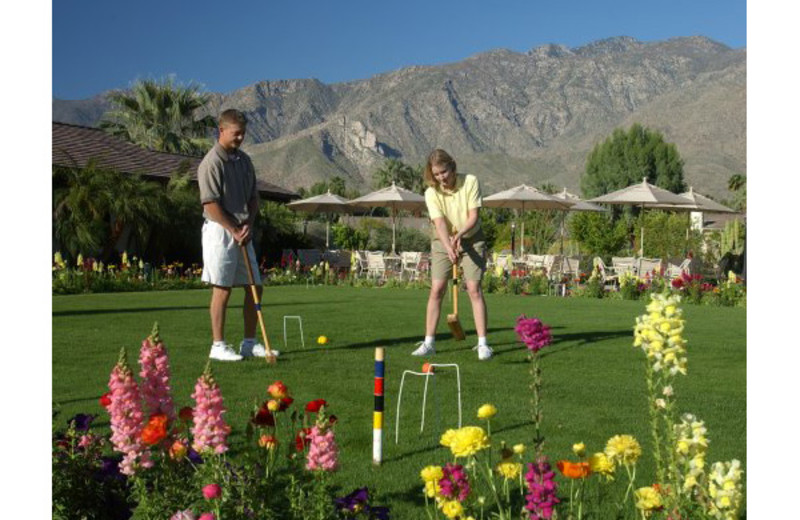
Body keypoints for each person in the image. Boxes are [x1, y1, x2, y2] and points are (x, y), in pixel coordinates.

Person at [198, 109, 279, 361]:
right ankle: (218, 345)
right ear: (221, 131)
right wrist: (232, 229)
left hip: (243, 230)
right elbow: (209, 205)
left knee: (255, 285)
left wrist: (248, 225)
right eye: (236, 133)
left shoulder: (244, 161)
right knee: (222, 288)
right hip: (219, 231)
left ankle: (249, 343)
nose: (241, 138)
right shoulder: (211, 163)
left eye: (243, 133)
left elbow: (253, 198)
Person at [412, 149, 492, 360]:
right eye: (436, 174)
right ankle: (429, 343)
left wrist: (460, 235)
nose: (441, 178)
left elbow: (473, 216)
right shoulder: (431, 193)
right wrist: (449, 245)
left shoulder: (470, 181)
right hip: (443, 239)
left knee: (474, 288)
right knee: (437, 288)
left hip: (472, 237)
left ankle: (483, 344)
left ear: (453, 167)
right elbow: (439, 223)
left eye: (444, 172)